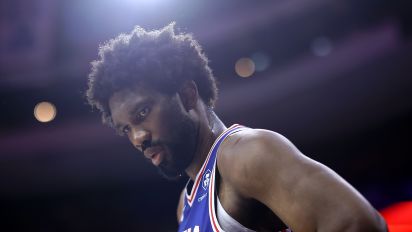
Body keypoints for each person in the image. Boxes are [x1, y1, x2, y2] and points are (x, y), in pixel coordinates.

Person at [86, 23, 387, 232]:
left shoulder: (247, 154)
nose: (138, 137)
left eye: (142, 113)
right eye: (126, 129)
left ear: (187, 94)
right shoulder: (185, 204)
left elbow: (356, 224)